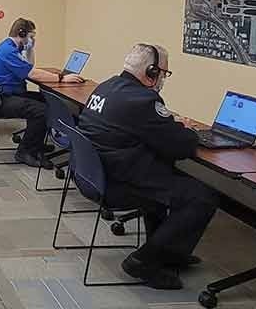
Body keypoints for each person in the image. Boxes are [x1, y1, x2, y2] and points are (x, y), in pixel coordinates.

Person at [78, 43, 218, 290]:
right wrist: (185, 129)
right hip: (116, 182)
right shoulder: (143, 100)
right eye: (164, 73)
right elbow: (181, 147)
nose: (163, 79)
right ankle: (144, 261)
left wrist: (166, 124)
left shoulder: (106, 86)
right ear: (151, 72)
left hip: (92, 175)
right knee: (202, 197)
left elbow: (137, 126)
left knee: (165, 181)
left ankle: (168, 253)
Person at [0, 17, 83, 168]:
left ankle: (35, 143)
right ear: (22, 33)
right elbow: (32, 73)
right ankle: (25, 152)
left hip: (7, 94)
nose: (33, 39)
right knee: (41, 111)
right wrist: (61, 78)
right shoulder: (8, 51)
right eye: (31, 36)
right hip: (2, 100)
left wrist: (30, 48)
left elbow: (29, 66)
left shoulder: (12, 47)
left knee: (46, 101)